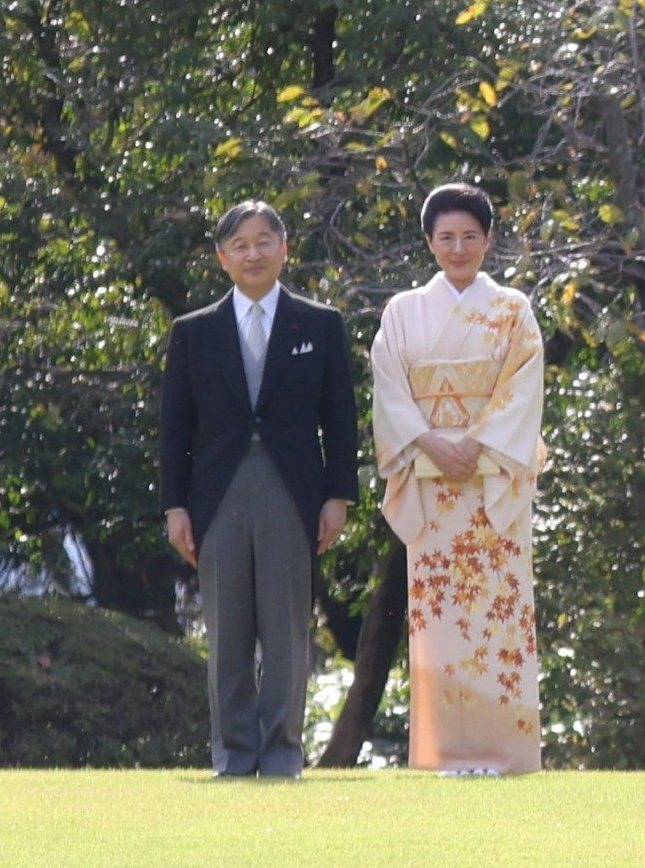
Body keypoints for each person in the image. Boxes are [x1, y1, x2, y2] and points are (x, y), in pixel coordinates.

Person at [159, 199, 362, 779]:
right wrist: (175, 506)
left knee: (286, 629)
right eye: (240, 245)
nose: (253, 253)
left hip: (292, 488)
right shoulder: (193, 332)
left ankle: (281, 754)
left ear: (284, 249)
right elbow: (175, 428)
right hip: (216, 491)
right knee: (226, 631)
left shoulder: (320, 324)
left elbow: (340, 418)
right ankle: (233, 754)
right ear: (223, 259)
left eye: (263, 241)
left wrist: (337, 495)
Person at [367, 183, 546, 776]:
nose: (459, 247)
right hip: (433, 482)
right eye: (447, 237)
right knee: (439, 621)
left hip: (492, 485)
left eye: (471, 236)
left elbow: (523, 385)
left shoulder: (513, 309)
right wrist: (430, 443)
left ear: (489, 240)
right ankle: (446, 754)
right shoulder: (402, 312)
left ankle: (506, 753)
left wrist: (475, 442)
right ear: (429, 242)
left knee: (498, 617)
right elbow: (389, 387)